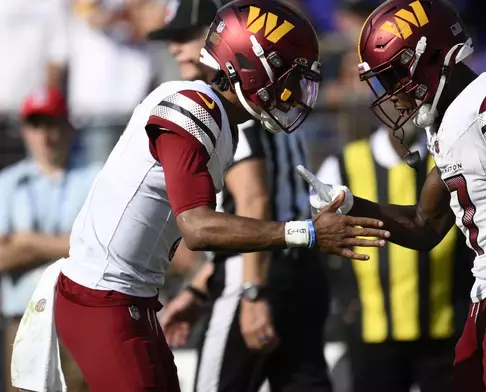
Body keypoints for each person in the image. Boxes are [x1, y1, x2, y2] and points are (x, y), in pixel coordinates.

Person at [42, 1, 389, 391]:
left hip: (129, 296)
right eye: (287, 75)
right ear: (250, 66)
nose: (293, 91)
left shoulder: (225, 123)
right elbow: (198, 226)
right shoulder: (193, 107)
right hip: (103, 297)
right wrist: (305, 232)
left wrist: (196, 287)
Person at [297, 0, 486, 391]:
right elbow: (424, 226)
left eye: (392, 75)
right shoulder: (448, 122)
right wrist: (350, 204)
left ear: (429, 57)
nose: (389, 93)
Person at [148, 1, 332, 390]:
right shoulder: (267, 93)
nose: (177, 49)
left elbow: (254, 201)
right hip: (296, 266)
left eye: (187, 37)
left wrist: (252, 291)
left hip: (257, 271)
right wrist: (200, 289)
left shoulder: (231, 102)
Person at [316, 119, 473, 392]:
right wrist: (345, 299)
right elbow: (320, 239)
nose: (402, 106)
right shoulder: (341, 165)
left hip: (444, 327)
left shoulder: (449, 160)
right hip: (371, 329)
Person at [0, 87, 99, 392]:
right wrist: (69, 244)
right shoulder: (7, 182)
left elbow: (101, 247)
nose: (45, 135)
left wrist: (27, 243)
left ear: (68, 127)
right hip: (25, 323)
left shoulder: (96, 176)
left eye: (52, 124)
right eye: (36, 125)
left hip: (79, 322)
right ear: (25, 131)